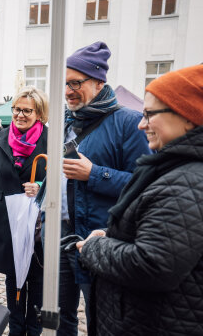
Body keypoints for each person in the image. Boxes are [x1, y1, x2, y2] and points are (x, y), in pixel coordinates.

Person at [77, 65, 203, 335]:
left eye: (150, 115)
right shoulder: (176, 170)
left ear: (189, 117)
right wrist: (114, 234)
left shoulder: (186, 181)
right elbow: (167, 234)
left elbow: (153, 264)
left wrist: (95, 246)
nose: (141, 123)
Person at [58, 41, 151, 335]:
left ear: (98, 81)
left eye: (75, 83)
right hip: (59, 237)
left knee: (100, 319)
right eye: (65, 83)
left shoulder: (130, 122)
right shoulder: (66, 121)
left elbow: (145, 187)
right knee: (60, 318)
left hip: (99, 241)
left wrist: (94, 174)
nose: (68, 90)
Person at [0, 86, 48, 336]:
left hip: (39, 223)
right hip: (7, 219)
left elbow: (64, 181)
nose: (20, 115)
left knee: (37, 277)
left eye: (26, 111)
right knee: (13, 277)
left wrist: (41, 187)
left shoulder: (51, 141)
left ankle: (34, 328)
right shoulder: (1, 139)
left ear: (39, 113)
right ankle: (16, 328)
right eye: (16, 109)